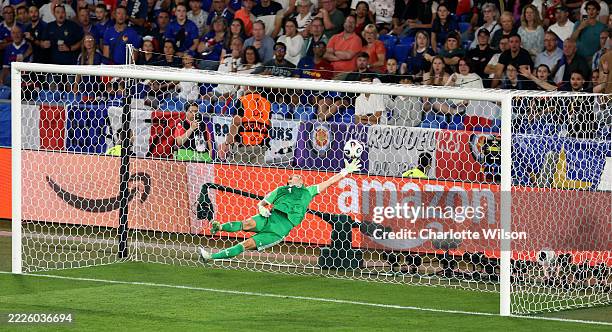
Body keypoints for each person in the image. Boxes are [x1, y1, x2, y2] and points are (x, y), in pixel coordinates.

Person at [198, 159, 362, 262]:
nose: (298, 177)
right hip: (270, 218)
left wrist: (345, 171)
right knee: (246, 223)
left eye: (300, 177)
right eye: (294, 176)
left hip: (278, 231)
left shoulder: (308, 191)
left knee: (246, 244)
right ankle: (218, 227)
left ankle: (211, 257)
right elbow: (262, 203)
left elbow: (329, 182)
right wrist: (262, 208)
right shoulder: (280, 190)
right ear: (289, 180)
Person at [217, 87, 271, 165]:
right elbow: (268, 124)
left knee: (233, 174)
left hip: (242, 146)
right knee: (257, 174)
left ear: (246, 87)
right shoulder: (266, 103)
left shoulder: (243, 100)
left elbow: (237, 122)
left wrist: (227, 143)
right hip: (259, 147)